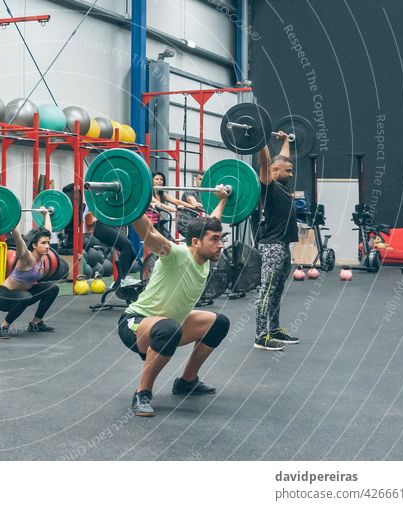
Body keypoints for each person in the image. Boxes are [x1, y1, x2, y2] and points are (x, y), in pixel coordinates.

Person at [117, 185, 231, 417]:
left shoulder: (205, 253)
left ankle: (186, 381)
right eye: (215, 240)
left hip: (171, 322)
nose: (220, 244)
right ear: (196, 242)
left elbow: (212, 223)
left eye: (221, 239)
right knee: (169, 329)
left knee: (219, 323)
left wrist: (223, 200)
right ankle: (142, 393)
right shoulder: (177, 255)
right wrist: (133, 204)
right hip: (136, 323)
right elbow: (150, 234)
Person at [252, 131, 300, 351]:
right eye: (287, 171)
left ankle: (274, 328)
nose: (290, 174)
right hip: (271, 245)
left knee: (277, 289)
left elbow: (282, 160)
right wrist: (260, 139)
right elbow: (265, 162)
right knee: (267, 289)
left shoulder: (282, 185)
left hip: (283, 245)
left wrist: (285, 142)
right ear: (274, 171)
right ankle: (261, 336)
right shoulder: (268, 185)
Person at [0, 208, 60, 339]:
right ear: (34, 245)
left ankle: (36, 323)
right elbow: (19, 241)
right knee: (25, 296)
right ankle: (3, 327)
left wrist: (46, 214)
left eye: (48, 243)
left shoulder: (43, 255)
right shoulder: (27, 258)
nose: (47, 246)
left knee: (53, 288)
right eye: (43, 243)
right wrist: (12, 224)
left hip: (24, 294)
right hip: (3, 297)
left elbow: (48, 231)